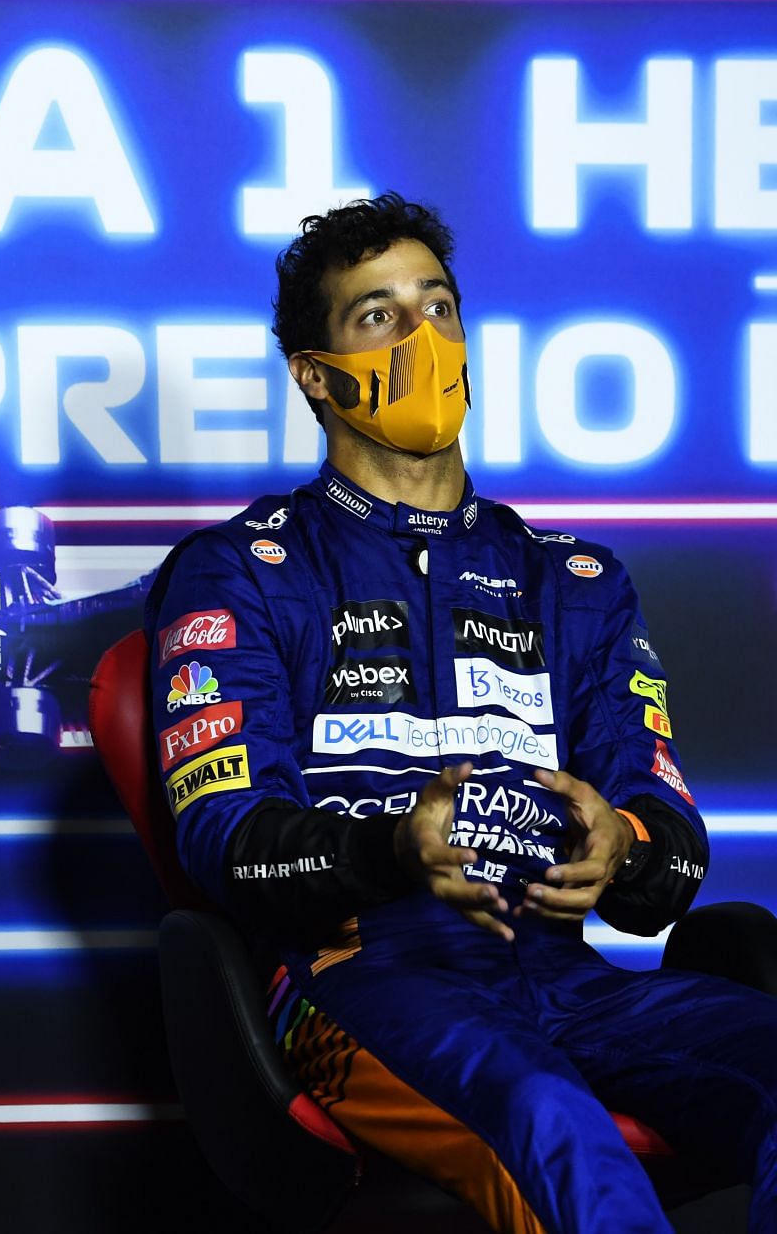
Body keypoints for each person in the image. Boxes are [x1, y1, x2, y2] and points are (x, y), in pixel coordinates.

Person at [142, 193, 777, 1233]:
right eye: (379, 316)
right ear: (313, 372)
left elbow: (670, 860)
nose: (423, 337)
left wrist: (623, 844)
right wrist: (397, 849)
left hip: (568, 974)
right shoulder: (239, 572)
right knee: (552, 1120)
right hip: (359, 980)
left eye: (438, 306)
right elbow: (226, 841)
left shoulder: (575, 578)